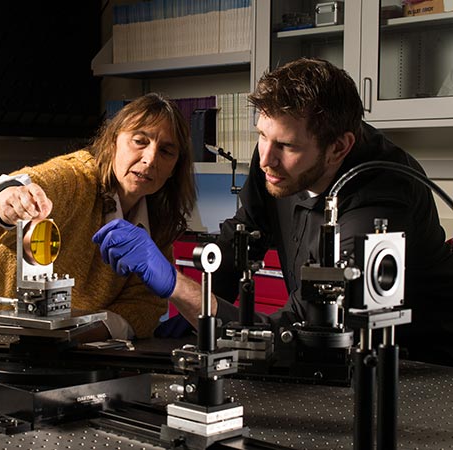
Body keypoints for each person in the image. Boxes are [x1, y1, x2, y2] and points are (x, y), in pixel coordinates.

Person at [94, 58, 453, 366]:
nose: (266, 159)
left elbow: (302, 331)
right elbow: (241, 239)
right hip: (332, 365)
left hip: (414, 369)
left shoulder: (379, 198)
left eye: (285, 145)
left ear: (339, 147)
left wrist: (179, 287)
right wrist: (196, 313)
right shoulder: (275, 157)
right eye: (262, 136)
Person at [0, 92, 196, 340]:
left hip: (53, 343)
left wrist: (75, 333)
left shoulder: (158, 223)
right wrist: (10, 197)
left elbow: (143, 307)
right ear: (112, 143)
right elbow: (38, 180)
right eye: (140, 141)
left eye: (166, 151)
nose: (150, 159)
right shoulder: (78, 177)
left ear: (175, 167)